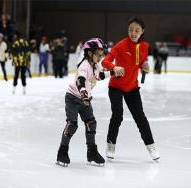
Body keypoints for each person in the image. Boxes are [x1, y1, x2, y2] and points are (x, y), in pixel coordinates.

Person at [101, 16, 160, 160]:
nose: (133, 33)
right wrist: (115, 66)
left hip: (132, 88)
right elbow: (105, 61)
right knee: (117, 115)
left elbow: (139, 63)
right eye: (131, 30)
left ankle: (151, 146)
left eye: (137, 31)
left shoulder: (145, 47)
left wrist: (145, 67)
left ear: (142, 31)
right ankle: (110, 144)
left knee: (140, 118)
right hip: (116, 86)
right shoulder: (121, 45)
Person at [56, 38, 112, 167]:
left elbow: (99, 76)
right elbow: (80, 81)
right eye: (98, 54)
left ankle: (91, 152)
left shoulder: (95, 65)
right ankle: (62, 152)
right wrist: (84, 94)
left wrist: (113, 73)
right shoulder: (85, 66)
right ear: (89, 53)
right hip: (73, 98)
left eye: (102, 54)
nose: (101, 56)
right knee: (72, 125)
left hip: (85, 100)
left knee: (91, 123)